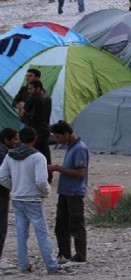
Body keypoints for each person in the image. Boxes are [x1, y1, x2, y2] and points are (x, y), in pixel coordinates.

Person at [0, 127, 76, 275]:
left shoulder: (11, 156)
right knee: (42, 233)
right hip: (33, 199)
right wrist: (46, 191)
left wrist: (15, 186)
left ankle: (23, 264)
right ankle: (51, 265)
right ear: (35, 139)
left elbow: (2, 177)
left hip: (17, 198)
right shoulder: (38, 157)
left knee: (21, 233)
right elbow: (41, 180)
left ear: (20, 139)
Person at [49, 121, 89, 264]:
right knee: (61, 225)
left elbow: (80, 172)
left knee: (76, 224)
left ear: (67, 134)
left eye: (58, 137)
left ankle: (80, 255)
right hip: (65, 191)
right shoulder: (71, 147)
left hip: (75, 192)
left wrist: (58, 168)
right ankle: (64, 253)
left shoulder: (79, 149)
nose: (58, 140)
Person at [19, 80, 52, 183]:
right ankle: (48, 175)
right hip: (45, 129)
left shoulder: (33, 99)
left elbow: (22, 114)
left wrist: (22, 110)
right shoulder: (47, 98)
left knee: (34, 153)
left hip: (35, 130)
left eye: (31, 88)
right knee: (46, 152)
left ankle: (36, 176)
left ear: (38, 88)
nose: (29, 91)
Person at [0, 128, 19, 270]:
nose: (16, 142)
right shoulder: (3, 155)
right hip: (1, 194)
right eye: (14, 139)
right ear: (6, 140)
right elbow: (4, 177)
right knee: (1, 227)